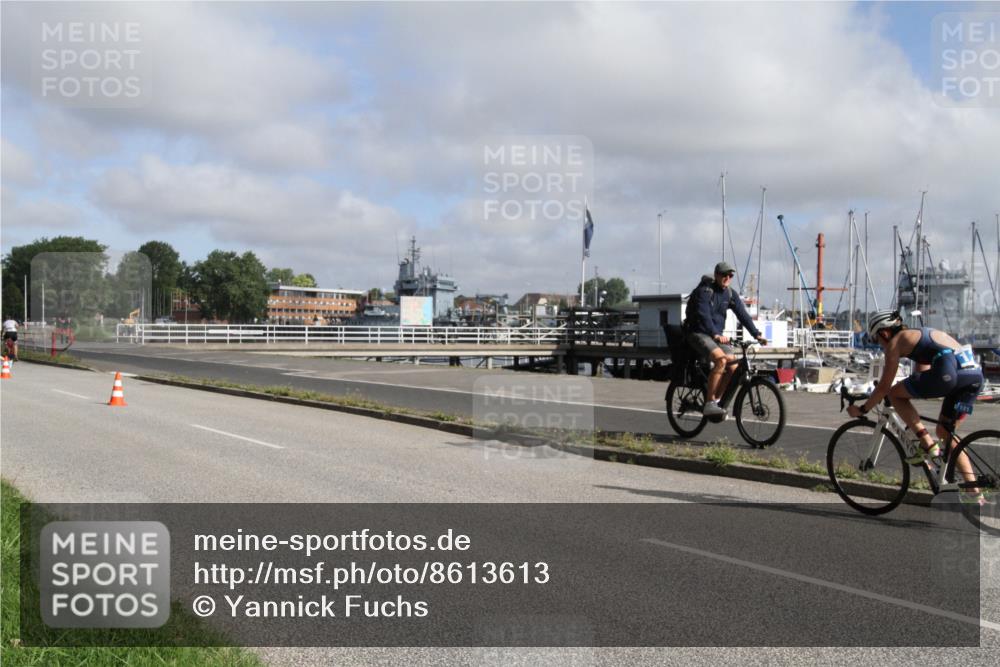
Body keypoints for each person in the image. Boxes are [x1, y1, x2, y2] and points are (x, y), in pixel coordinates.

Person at [847, 310, 987, 505]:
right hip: (973, 377)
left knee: (893, 393)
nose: (879, 343)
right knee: (946, 432)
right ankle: (974, 491)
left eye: (877, 338)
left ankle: (927, 444)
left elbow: (885, 387)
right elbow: (920, 378)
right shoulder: (918, 335)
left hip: (949, 372)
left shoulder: (895, 343)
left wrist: (862, 409)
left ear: (885, 333)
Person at [684, 262, 768, 418]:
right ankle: (709, 403)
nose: (727, 278)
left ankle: (717, 401)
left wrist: (756, 334)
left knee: (733, 366)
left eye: (730, 276)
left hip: (716, 336)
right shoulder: (705, 291)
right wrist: (715, 333)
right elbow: (704, 315)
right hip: (698, 333)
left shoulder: (730, 293)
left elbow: (742, 314)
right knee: (721, 360)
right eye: (724, 275)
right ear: (716, 275)